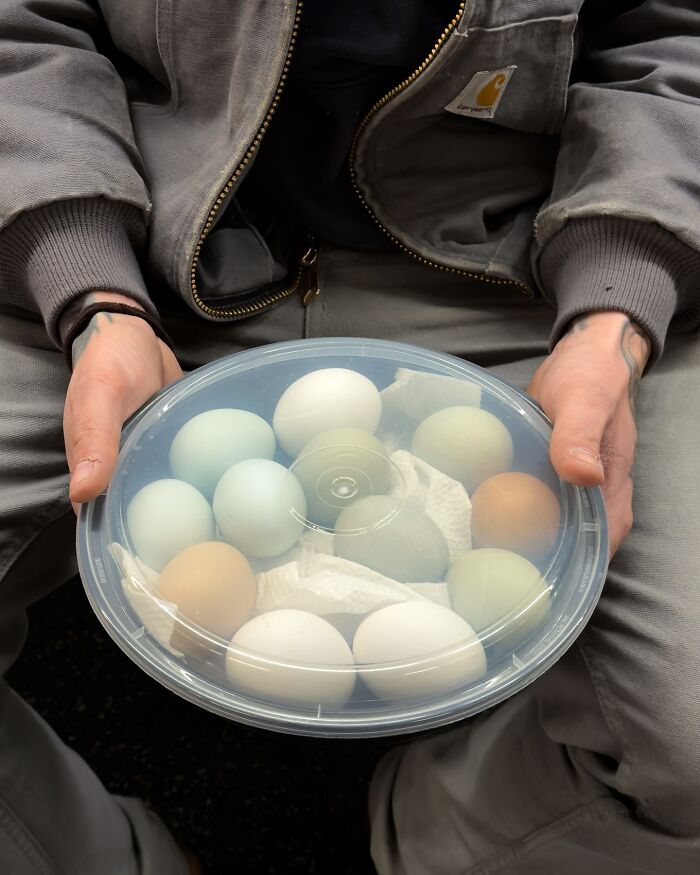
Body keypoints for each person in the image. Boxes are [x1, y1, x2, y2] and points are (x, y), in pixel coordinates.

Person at [1, 1, 699, 872]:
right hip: (144, 245)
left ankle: (441, 837)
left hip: (521, 266)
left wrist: (616, 309)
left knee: (691, 739)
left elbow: (675, 39)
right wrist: (86, 287)